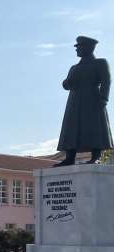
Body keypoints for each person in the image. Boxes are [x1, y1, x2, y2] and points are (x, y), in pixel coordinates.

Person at [54, 36, 112, 167]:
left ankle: (96, 156)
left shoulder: (100, 63)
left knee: (94, 127)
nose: (77, 49)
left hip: (92, 99)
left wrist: (104, 98)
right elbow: (66, 84)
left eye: (79, 47)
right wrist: (66, 83)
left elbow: (106, 81)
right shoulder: (74, 67)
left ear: (89, 47)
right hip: (74, 102)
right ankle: (69, 158)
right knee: (71, 128)